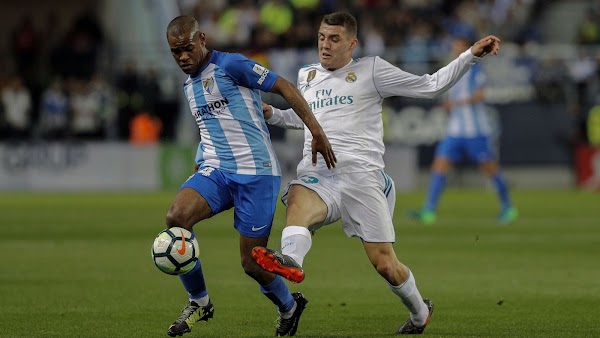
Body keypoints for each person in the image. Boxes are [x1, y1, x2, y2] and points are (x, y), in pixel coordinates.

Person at [250, 11, 500, 335]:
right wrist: (272, 113)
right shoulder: (307, 75)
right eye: (322, 38)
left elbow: (430, 86)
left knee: (385, 263)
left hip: (361, 176)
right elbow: (306, 119)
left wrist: (469, 56)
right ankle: (292, 262)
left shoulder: (372, 70)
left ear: (352, 43)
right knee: (297, 199)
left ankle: (420, 313)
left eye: (334, 39)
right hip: (320, 174)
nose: (325, 45)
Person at [162, 15, 336, 337]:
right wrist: (200, 169)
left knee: (252, 262)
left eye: (187, 48)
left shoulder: (232, 65)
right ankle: (199, 301)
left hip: (257, 174)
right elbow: (210, 129)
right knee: (177, 217)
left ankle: (289, 306)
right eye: (176, 52)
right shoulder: (189, 86)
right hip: (217, 170)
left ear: (202, 39)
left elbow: (283, 86)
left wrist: (316, 130)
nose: (183, 57)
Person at [408, 36, 517, 225]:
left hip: (475, 131)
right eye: (453, 46)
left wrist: (456, 103)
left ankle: (508, 207)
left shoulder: (475, 69)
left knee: (489, 168)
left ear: (467, 48)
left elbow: (481, 95)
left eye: (458, 46)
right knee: (439, 165)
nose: (454, 50)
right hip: (455, 131)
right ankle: (429, 211)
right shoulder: (452, 69)